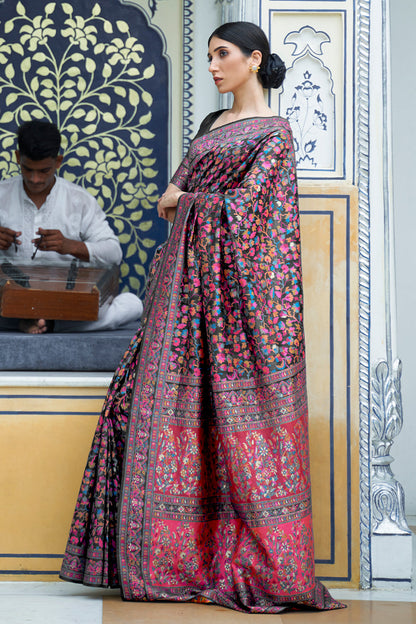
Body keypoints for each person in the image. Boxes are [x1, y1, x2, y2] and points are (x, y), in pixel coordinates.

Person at [60, 22, 344, 613]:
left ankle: (246, 565)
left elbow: (251, 214)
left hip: (239, 303)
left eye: (223, 55)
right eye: (210, 55)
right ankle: (154, 560)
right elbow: (170, 196)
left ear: (253, 59)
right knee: (133, 408)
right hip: (180, 296)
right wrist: (187, 200)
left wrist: (187, 202)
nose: (213, 65)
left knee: (236, 430)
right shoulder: (212, 125)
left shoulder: (275, 134)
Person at [0, 120, 142, 333]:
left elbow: (114, 253)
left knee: (133, 305)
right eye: (27, 169)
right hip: (7, 295)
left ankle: (43, 322)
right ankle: (48, 323)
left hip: (64, 301)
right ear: (18, 157)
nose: (35, 179)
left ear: (58, 161)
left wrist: (71, 246)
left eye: (44, 171)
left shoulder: (79, 201)